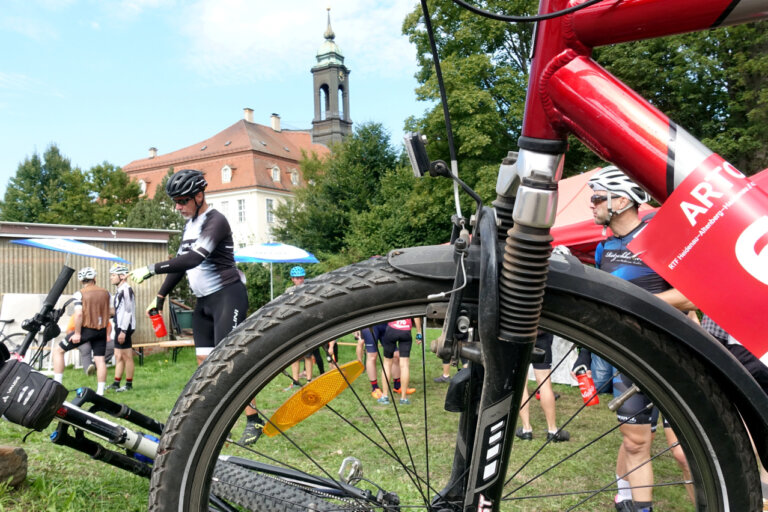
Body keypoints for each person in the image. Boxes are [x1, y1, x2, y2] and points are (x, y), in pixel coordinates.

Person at [585, 165, 696, 512]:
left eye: (597, 198)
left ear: (621, 200)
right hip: (631, 359)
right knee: (635, 444)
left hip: (674, 355)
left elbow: (693, 296)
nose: (592, 205)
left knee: (682, 451)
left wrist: (641, 305)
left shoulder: (659, 236)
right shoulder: (604, 248)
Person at [128, 169, 260, 441]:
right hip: (204, 302)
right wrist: (161, 296)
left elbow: (193, 260)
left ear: (200, 195)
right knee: (204, 363)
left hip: (227, 295)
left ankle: (254, 419)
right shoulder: (189, 225)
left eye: (183, 200)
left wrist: (152, 268)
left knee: (229, 361)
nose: (178, 207)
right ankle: (215, 422)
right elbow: (179, 264)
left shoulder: (216, 221)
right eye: (175, 201)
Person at [52, 267, 111, 395]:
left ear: (80, 280)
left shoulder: (79, 294)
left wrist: (77, 333)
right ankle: (100, 391)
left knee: (58, 351)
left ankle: (57, 385)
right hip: (101, 330)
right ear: (94, 278)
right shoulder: (106, 293)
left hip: (86, 329)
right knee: (100, 360)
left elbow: (78, 314)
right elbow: (111, 311)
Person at [515, 330, 570, 442]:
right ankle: (552, 430)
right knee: (544, 383)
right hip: (541, 333)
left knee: (521, 382)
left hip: (520, 332)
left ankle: (526, 430)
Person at [377, 317, 422, 406]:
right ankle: (403, 398)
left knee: (387, 363)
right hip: (406, 331)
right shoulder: (410, 302)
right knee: (404, 365)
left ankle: (385, 396)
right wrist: (419, 332)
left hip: (392, 330)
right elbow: (416, 316)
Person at [108, 263, 136, 392]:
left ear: (122, 276)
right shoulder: (119, 290)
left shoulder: (126, 290)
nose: (111, 278)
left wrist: (123, 331)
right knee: (118, 355)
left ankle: (129, 385)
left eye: (113, 275)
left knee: (126, 356)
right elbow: (119, 310)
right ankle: (116, 382)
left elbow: (128, 311)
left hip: (125, 326)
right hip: (119, 325)